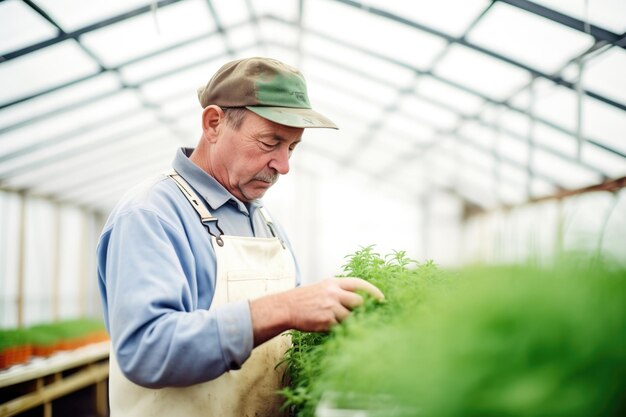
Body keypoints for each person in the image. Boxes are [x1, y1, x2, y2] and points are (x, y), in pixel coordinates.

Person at [96, 57, 384, 417]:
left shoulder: (265, 223)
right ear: (213, 123)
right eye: (270, 142)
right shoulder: (152, 214)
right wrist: (286, 307)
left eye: (292, 147)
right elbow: (146, 350)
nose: (284, 165)